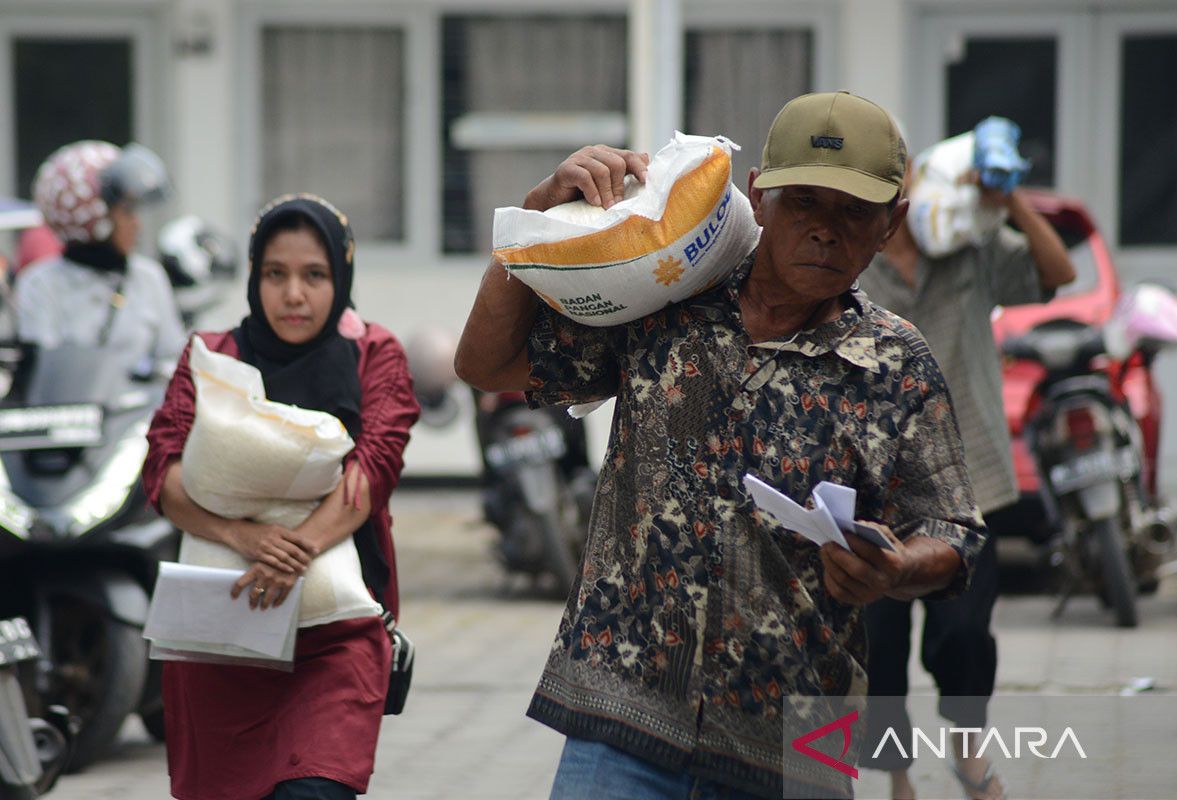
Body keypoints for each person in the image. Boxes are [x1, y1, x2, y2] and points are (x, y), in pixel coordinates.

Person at [455, 91, 985, 799]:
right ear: (759, 199)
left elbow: (954, 531)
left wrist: (894, 568)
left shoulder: (895, 362)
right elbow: (486, 365)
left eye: (853, 212)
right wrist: (532, 226)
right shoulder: (664, 300)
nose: (825, 231)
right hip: (626, 709)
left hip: (799, 731)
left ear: (890, 223)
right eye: (804, 203)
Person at [141, 194, 420, 800]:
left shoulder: (374, 353)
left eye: (314, 275)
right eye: (276, 274)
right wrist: (249, 539)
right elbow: (162, 471)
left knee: (315, 790)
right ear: (252, 278)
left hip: (335, 632)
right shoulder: (213, 358)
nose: (294, 294)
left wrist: (298, 548)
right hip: (221, 639)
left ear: (340, 276)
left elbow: (376, 464)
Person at [856, 137, 1075, 800]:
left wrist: (1006, 198)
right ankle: (897, 779)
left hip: (970, 477)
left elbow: (1057, 272)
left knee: (963, 636)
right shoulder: (853, 265)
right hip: (876, 487)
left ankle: (968, 754)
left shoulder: (971, 250)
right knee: (879, 645)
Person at [17, 140, 186, 369]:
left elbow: (173, 358)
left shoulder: (149, 277)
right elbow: (46, 376)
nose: (137, 225)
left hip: (145, 405)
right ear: (90, 215)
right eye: (127, 211)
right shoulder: (40, 285)